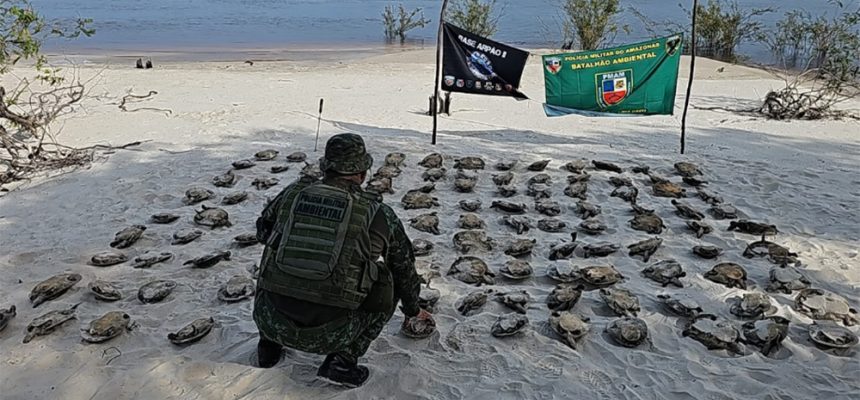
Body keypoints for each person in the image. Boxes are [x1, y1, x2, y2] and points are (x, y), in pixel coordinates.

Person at [253, 133, 434, 388]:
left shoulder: (293, 193)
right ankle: (342, 360)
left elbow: (262, 232)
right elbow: (403, 269)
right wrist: (413, 310)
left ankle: (269, 346)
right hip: (332, 335)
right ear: (362, 173)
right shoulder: (378, 213)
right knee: (387, 279)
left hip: (270, 319)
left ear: (326, 166)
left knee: (274, 253)